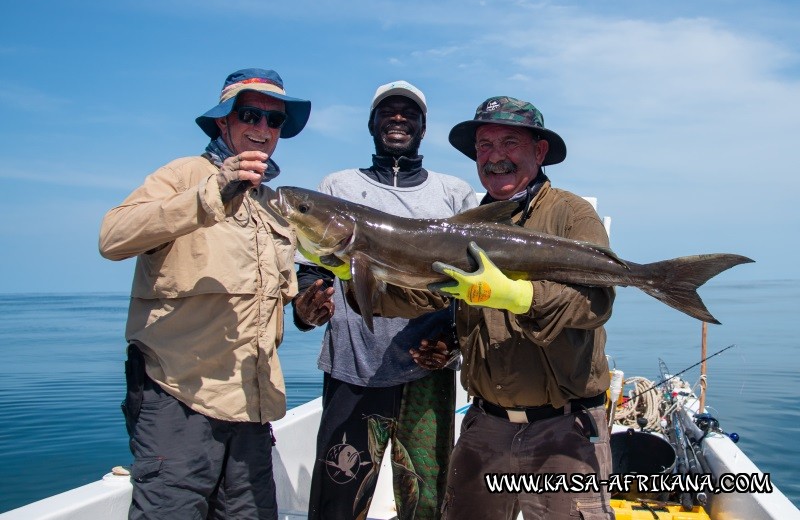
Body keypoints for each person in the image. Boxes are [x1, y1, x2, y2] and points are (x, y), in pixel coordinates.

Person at [374, 96, 616, 519]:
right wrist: (358, 276)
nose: (495, 156)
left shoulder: (571, 214)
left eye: (509, 142)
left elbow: (595, 301)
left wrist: (518, 297)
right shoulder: (466, 224)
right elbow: (426, 294)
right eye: (484, 146)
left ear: (539, 152)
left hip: (564, 431)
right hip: (485, 427)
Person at [99, 68, 311, 520]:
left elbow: (279, 300)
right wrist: (214, 189)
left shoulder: (274, 206)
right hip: (178, 402)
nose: (263, 128)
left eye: (274, 121)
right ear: (223, 122)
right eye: (250, 114)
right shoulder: (184, 175)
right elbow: (113, 237)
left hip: (253, 410)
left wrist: (311, 305)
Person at [292, 80, 477, 520]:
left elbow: (472, 287)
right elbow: (311, 270)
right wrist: (305, 308)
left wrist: (451, 337)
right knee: (336, 504)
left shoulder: (453, 193)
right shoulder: (335, 186)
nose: (398, 119)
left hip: (426, 372)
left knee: (426, 503)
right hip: (353, 369)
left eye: (408, 113)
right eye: (388, 112)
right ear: (372, 123)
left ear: (423, 126)